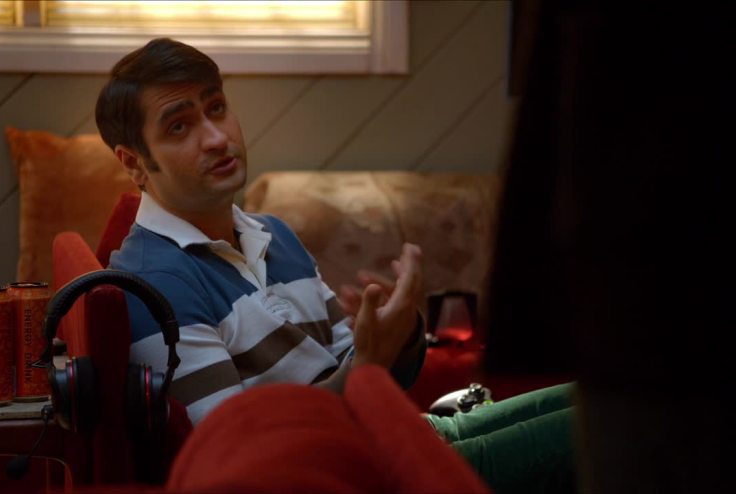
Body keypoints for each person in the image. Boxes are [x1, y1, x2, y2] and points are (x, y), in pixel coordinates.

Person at [97, 37, 577, 493]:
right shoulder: (153, 284)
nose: (218, 138)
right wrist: (366, 364)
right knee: (606, 427)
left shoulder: (272, 233)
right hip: (361, 475)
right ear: (134, 163)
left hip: (397, 435)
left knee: (595, 398)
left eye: (217, 107)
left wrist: (396, 333)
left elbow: (364, 373)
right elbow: (244, 454)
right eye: (179, 127)